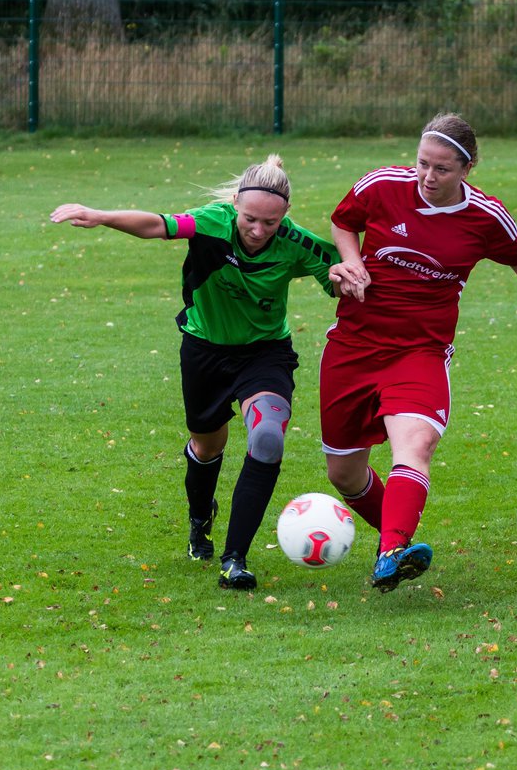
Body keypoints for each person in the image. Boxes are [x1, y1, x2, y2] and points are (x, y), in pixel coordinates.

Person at [321, 113, 517, 593]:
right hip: (354, 346)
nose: (428, 176)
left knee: (415, 446)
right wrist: (353, 262)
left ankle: (389, 553)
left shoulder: (485, 217)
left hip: (420, 350)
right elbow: (343, 222)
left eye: (442, 168)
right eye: (422, 163)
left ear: (467, 168)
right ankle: (396, 538)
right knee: (343, 470)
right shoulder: (381, 186)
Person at [50, 155, 338, 590]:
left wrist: (346, 279)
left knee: (267, 435)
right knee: (207, 445)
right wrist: (101, 216)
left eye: (271, 223)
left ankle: (234, 558)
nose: (259, 231)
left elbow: (337, 277)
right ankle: (199, 520)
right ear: (236, 205)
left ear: (285, 217)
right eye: (250, 219)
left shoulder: (298, 243)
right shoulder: (211, 222)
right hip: (204, 350)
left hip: (264, 354)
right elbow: (157, 226)